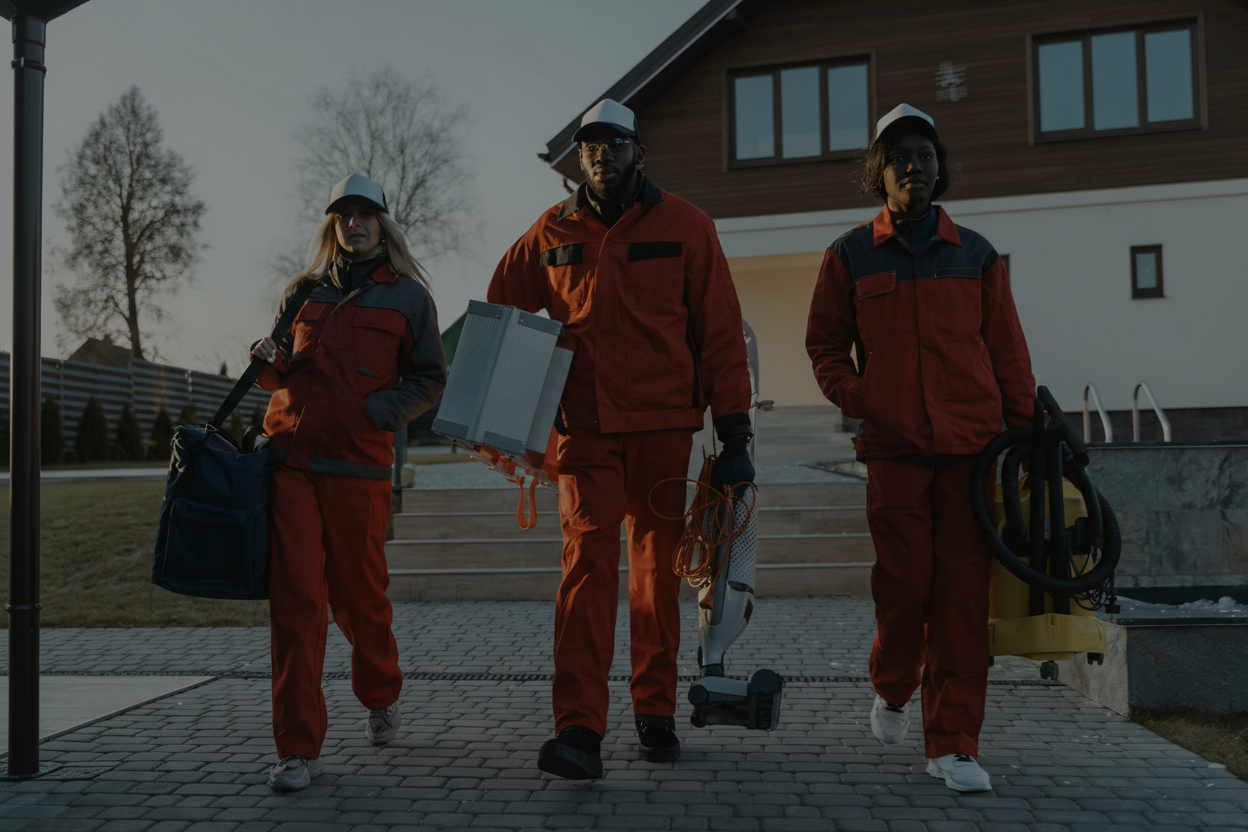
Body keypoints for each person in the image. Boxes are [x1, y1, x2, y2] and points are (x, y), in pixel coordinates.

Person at [488, 99, 754, 779]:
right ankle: (578, 728)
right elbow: (502, 320)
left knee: (655, 576)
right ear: (579, 158)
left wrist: (736, 435)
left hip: (665, 429)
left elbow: (720, 333)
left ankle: (654, 710)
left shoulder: (688, 227)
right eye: (590, 146)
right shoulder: (547, 234)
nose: (601, 154)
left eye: (614, 143)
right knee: (585, 571)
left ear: (640, 151)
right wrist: (498, 420)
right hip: (586, 432)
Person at [805, 104, 1035, 792]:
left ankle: (955, 743)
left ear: (940, 169)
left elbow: (1008, 352)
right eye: (900, 156)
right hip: (896, 451)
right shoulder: (849, 254)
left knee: (963, 598)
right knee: (905, 590)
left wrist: (1020, 431)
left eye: (926, 155)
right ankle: (893, 682)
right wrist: (870, 402)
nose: (915, 166)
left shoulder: (976, 254)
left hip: (973, 452)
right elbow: (824, 351)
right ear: (880, 171)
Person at [250, 173, 447, 792]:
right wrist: (266, 359)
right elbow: (278, 371)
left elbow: (428, 380)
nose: (354, 224)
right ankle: (297, 749)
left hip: (358, 468)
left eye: (365, 214)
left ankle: (381, 691)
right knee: (297, 605)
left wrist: (374, 412)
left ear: (382, 224)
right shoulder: (301, 292)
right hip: (292, 467)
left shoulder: (411, 299)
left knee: (360, 600)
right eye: (343, 215)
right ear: (332, 225)